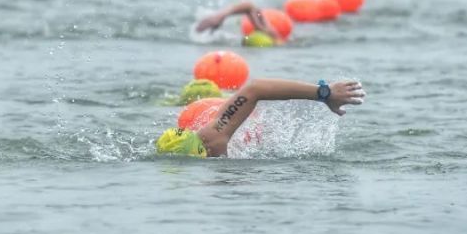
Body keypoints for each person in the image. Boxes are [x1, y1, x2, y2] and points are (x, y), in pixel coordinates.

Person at [155, 78, 365, 157]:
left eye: (205, 150)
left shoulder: (212, 136)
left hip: (239, 121)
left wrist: (324, 93)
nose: (210, 152)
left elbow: (256, 88)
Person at [195, 1, 282, 44]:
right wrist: (221, 15)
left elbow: (252, 8)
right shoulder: (272, 34)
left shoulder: (275, 39)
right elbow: (251, 7)